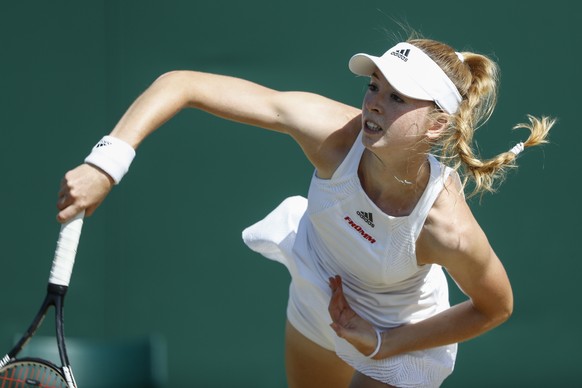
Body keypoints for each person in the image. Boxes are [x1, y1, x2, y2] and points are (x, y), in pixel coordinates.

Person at [56, 33, 554, 387]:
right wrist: (108, 162)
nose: (374, 104)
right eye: (374, 86)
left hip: (399, 339)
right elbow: (183, 83)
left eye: (397, 97)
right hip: (318, 299)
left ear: (436, 126)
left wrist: (384, 342)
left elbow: (496, 307)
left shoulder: (447, 228)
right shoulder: (333, 136)